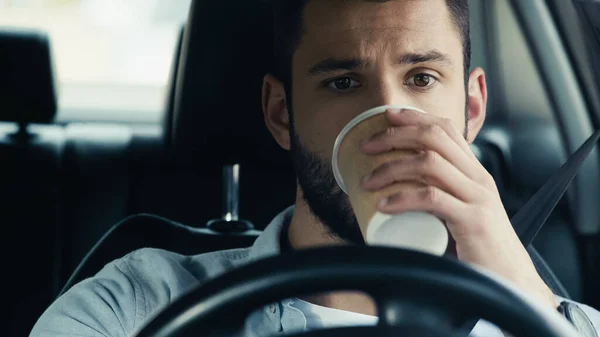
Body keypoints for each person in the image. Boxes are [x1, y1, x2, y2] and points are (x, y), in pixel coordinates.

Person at [30, 0, 600, 336]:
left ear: (472, 108)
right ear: (282, 114)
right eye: (343, 82)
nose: (385, 119)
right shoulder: (136, 305)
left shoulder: (560, 320)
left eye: (421, 78)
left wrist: (526, 300)